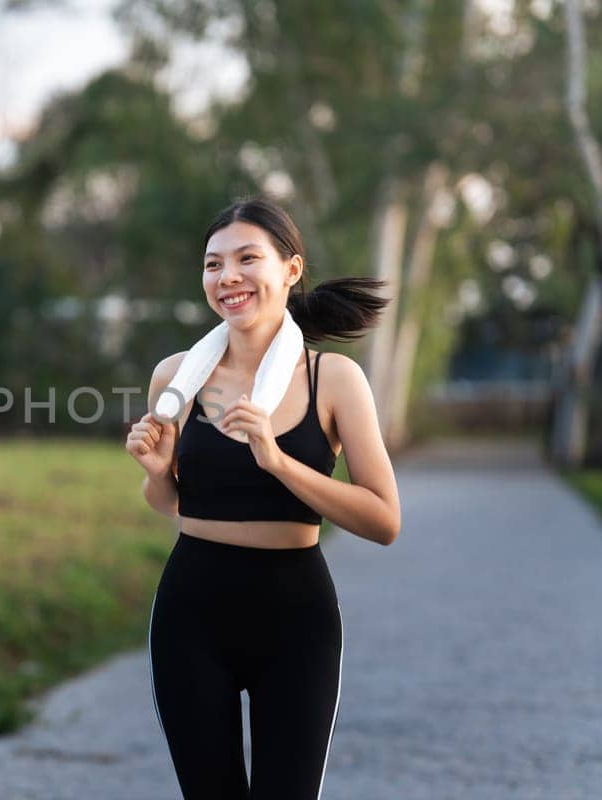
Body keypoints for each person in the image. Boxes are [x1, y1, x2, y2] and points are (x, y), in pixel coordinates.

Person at [124, 196, 400, 799]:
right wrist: (156, 471)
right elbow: (172, 502)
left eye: (248, 259)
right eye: (213, 264)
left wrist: (277, 461)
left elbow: (384, 520)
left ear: (290, 270)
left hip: (294, 615)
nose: (228, 278)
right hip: (190, 611)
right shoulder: (176, 377)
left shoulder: (333, 378)